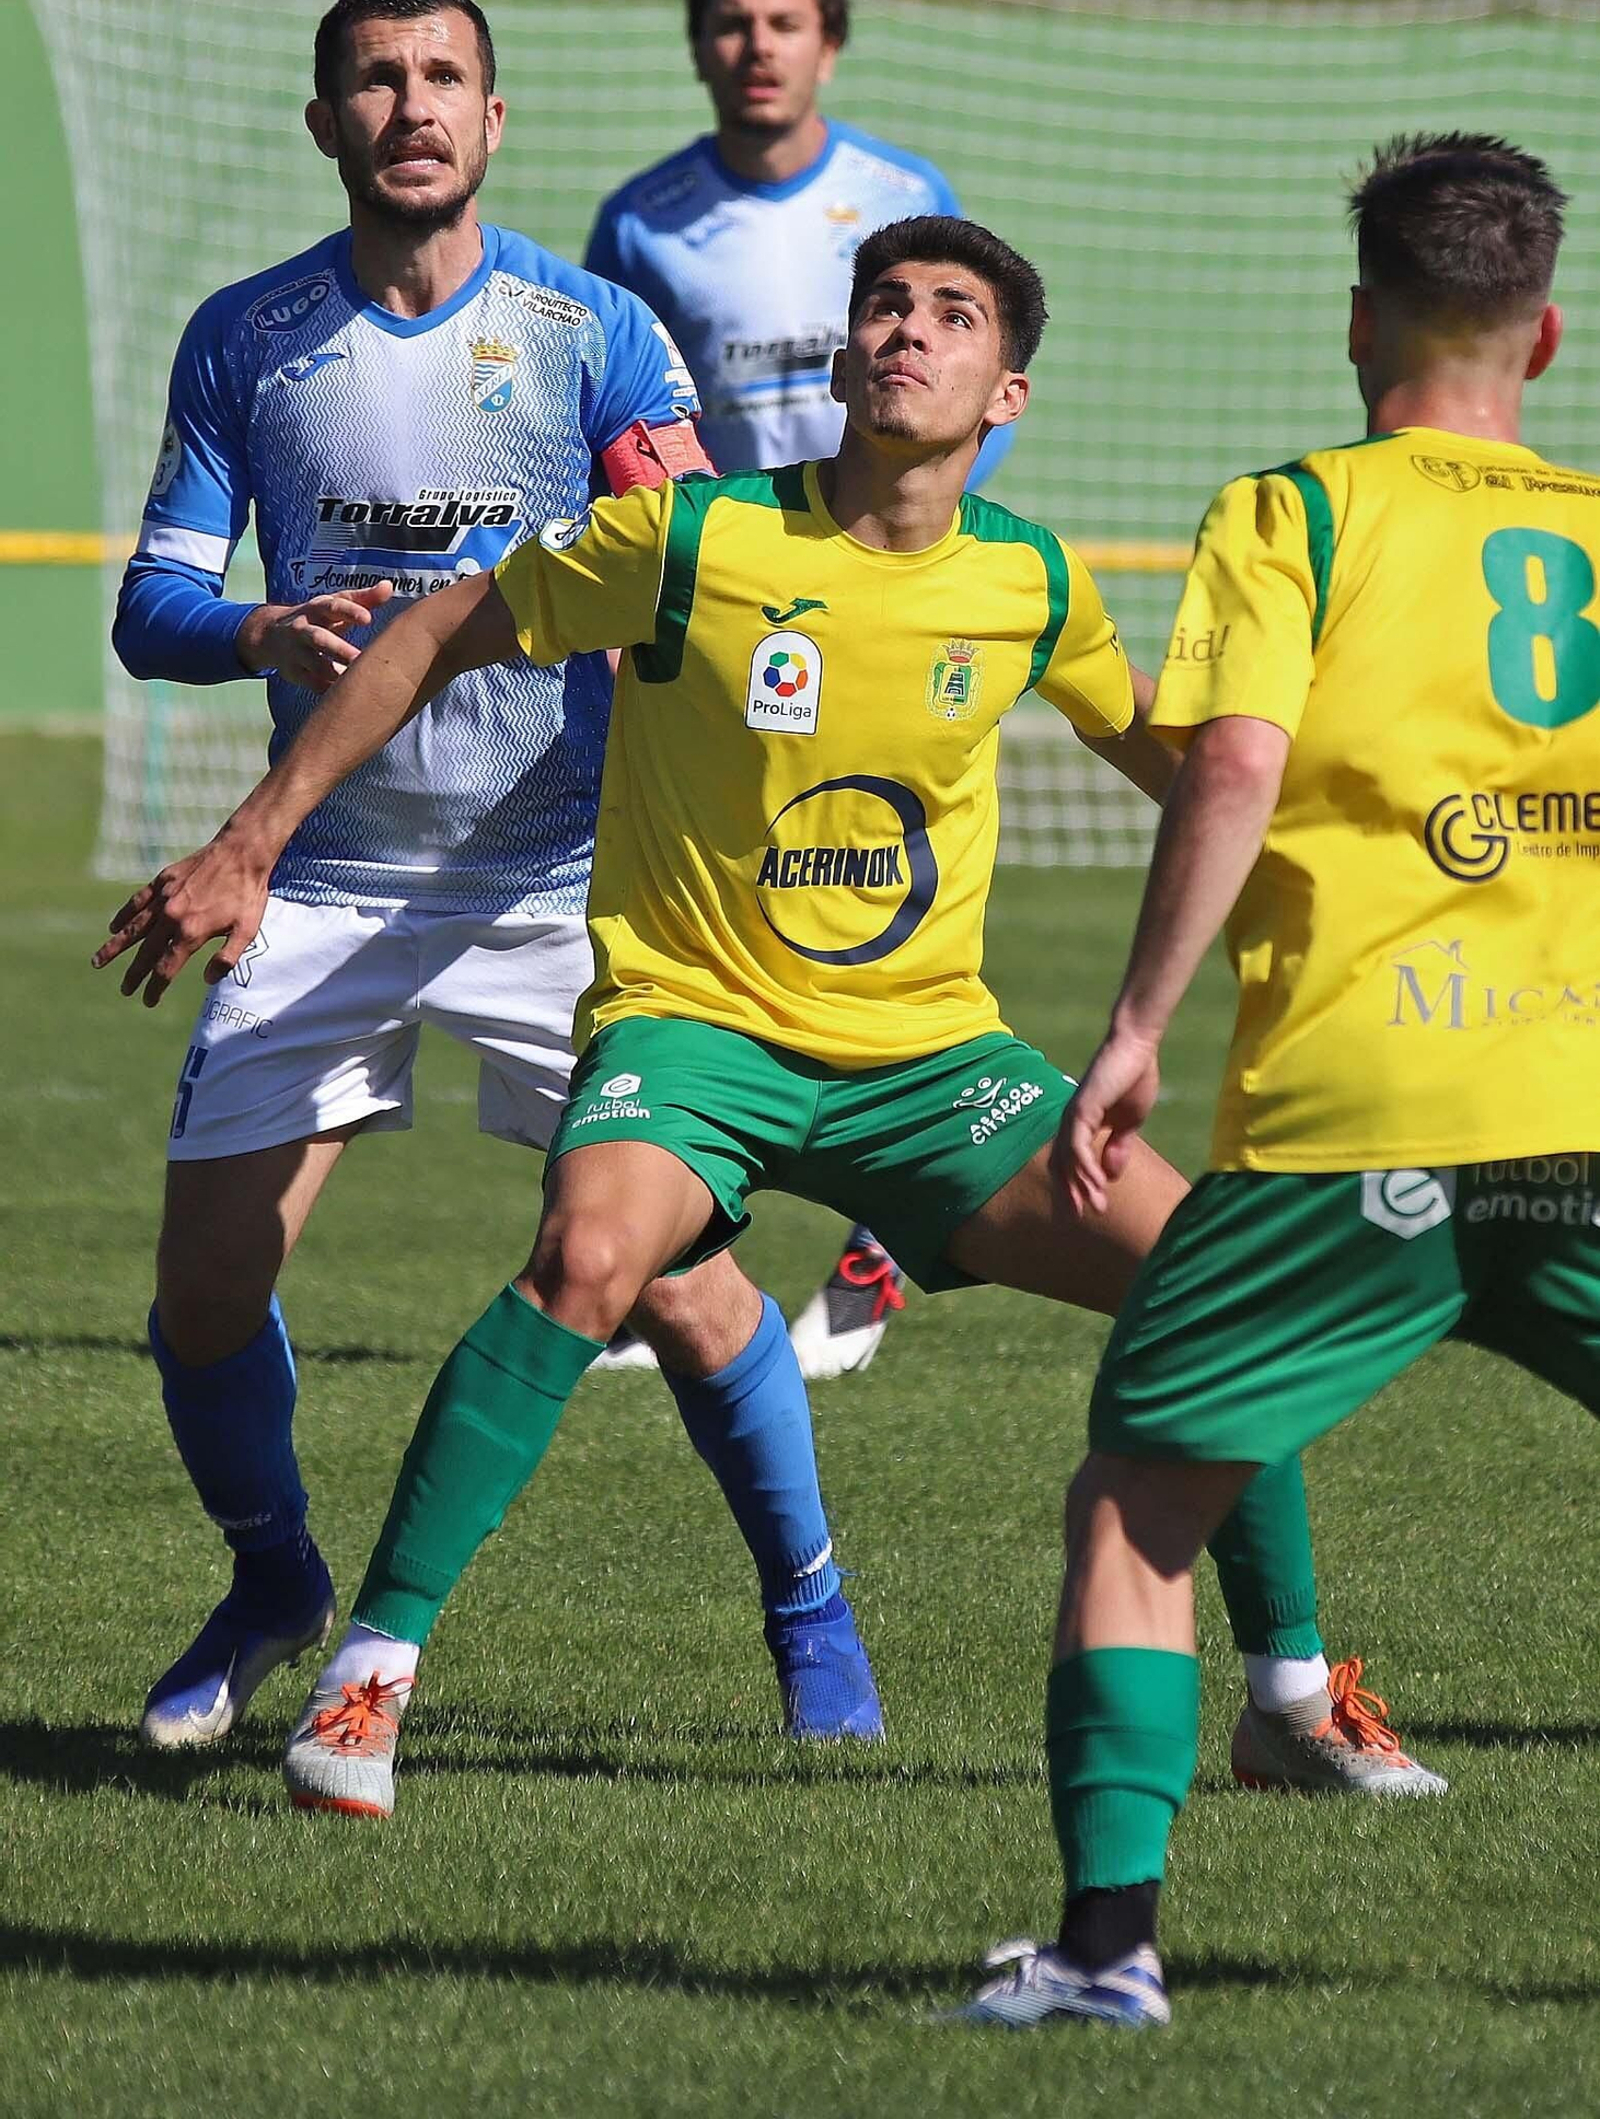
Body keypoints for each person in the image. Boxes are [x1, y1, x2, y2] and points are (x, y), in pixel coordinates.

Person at [98, 212, 1434, 1847]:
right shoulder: (692, 538)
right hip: (699, 1034)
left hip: (931, 1060)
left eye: (950, 315)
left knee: (1218, 1285)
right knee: (589, 1260)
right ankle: (367, 1674)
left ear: (1006, 389)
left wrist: (1364, 865)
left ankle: (1292, 1701)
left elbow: (1177, 761)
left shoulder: (1031, 575)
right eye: (882, 305)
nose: (905, 332)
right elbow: (444, 628)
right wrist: (256, 837)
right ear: (836, 350)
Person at [113, 0, 881, 1756]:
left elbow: (692, 550)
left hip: (567, 890)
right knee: (205, 1289)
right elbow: (154, 602)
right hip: (330, 882)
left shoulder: (595, 327)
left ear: (494, 115)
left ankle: (809, 1603)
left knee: (682, 1283)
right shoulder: (245, 336)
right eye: (376, 80)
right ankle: (271, 1576)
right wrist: (261, 629)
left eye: (443, 74)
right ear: (328, 122)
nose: (412, 106)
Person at [963, 132, 1599, 2034]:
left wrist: (1141, 1020)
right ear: (1545, 334)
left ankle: (1101, 1956)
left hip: (1353, 1128)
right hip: (1575, 1108)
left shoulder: (1293, 513)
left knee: (1145, 1501)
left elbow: (1231, 765)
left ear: (1356, 322)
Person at [587, 0, 997, 1378]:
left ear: (830, 45)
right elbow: (614, 421)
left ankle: (881, 1236)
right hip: (718, 626)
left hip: (884, 611)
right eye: (731, 24)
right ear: (699, 48)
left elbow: (961, 386)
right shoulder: (640, 221)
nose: (758, 46)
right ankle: (687, 1262)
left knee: (883, 899)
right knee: (722, 938)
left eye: (785, 22)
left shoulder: (904, 197)